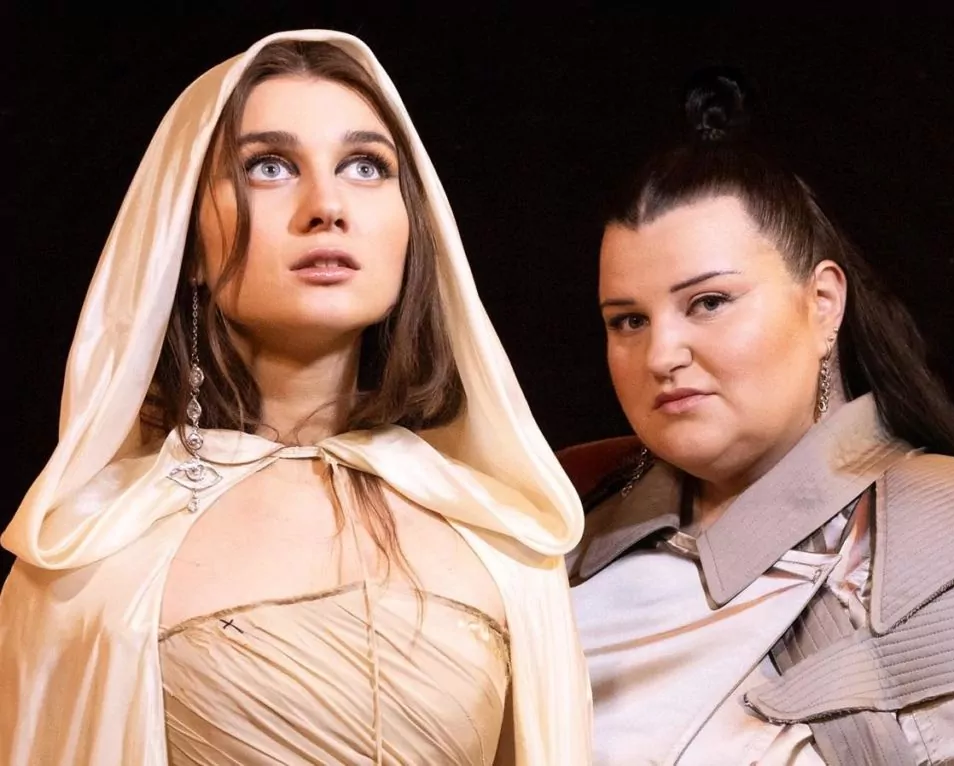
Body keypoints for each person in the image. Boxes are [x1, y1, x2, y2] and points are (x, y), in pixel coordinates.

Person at [0, 30, 591, 765]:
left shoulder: (503, 534)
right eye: (269, 167)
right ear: (186, 241)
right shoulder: (91, 552)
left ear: (412, 226)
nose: (327, 206)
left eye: (366, 166)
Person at [565, 69, 954, 765]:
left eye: (709, 302)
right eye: (628, 320)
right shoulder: (562, 532)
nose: (660, 354)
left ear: (823, 303)